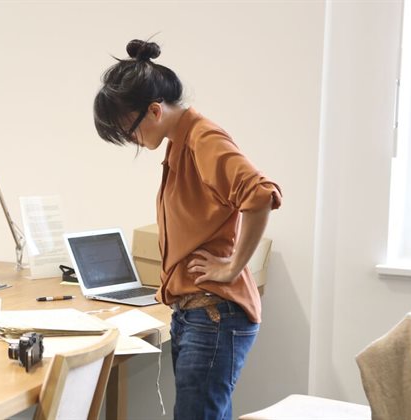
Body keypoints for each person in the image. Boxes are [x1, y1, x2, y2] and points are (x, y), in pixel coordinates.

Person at [93, 39, 282, 420]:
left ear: (154, 110)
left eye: (127, 130)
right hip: (197, 312)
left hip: (214, 313)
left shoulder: (202, 138)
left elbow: (261, 195)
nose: (129, 139)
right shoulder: (181, 143)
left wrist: (229, 268)